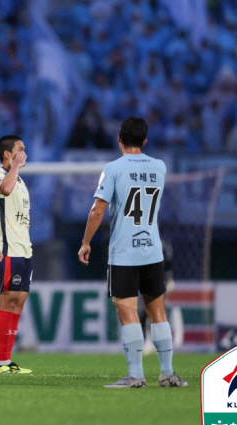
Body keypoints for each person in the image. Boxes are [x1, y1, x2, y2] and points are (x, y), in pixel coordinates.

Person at [78, 116, 188, 389]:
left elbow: (98, 210)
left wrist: (85, 242)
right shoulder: (159, 167)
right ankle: (167, 373)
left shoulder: (113, 168)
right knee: (157, 311)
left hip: (125, 251)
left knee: (127, 311)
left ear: (119, 139)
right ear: (145, 141)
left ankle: (136, 375)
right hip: (152, 250)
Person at [0, 135, 32, 374]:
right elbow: (4, 190)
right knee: (7, 301)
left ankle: (7, 361)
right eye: (20, 150)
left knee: (19, 302)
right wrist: (15, 166)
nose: (24, 154)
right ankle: (1, 361)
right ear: (7, 154)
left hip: (24, 249)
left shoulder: (20, 180)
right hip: (7, 249)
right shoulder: (0, 175)